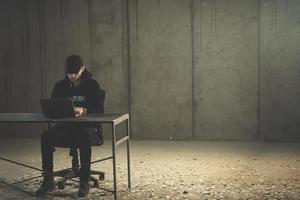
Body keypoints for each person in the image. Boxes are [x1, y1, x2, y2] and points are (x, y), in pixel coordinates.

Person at [36, 55, 104, 197]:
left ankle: (84, 181)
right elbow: (53, 107)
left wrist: (84, 110)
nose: (72, 75)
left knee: (83, 136)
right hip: (67, 128)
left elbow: (99, 110)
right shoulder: (60, 86)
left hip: (88, 129)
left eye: (75, 72)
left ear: (83, 69)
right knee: (46, 136)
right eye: (69, 73)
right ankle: (48, 181)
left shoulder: (92, 85)